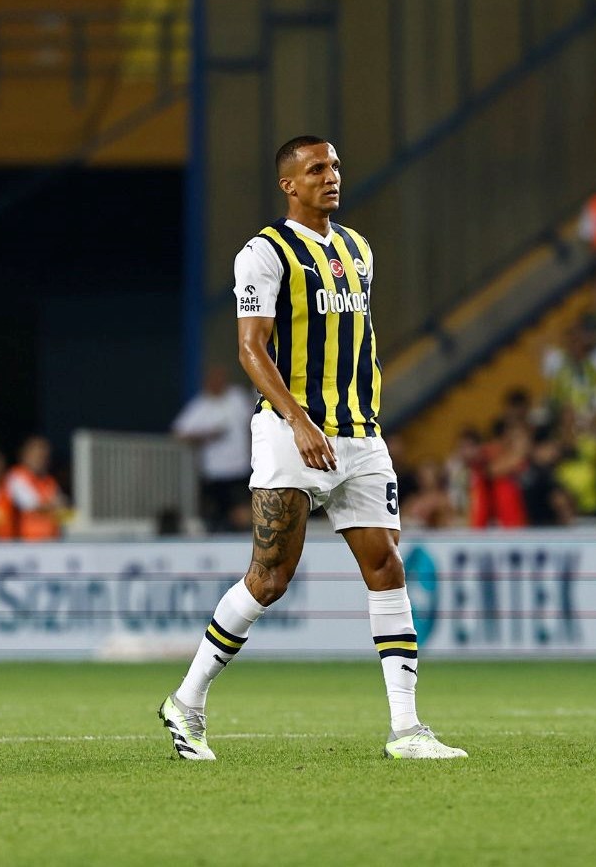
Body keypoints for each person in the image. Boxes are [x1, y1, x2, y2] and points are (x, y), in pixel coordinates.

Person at [158, 135, 466, 761]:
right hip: (289, 431)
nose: (331, 176)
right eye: (317, 168)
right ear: (289, 184)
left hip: (360, 433)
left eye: (335, 166)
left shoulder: (359, 250)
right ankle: (187, 701)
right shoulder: (264, 253)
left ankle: (407, 729)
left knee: (387, 566)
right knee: (270, 578)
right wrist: (298, 420)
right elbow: (251, 348)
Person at [171, 364, 254, 532]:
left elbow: (255, 420)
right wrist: (207, 435)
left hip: (240, 469)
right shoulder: (200, 405)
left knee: (243, 516)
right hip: (214, 473)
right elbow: (178, 433)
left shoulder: (237, 398)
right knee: (215, 519)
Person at [5, 436, 65, 541]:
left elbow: (61, 504)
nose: (41, 460)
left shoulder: (49, 481)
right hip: (25, 543)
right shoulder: (17, 476)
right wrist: (52, 505)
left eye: (44, 457)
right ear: (25, 455)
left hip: (51, 541)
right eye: (38, 456)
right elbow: (30, 504)